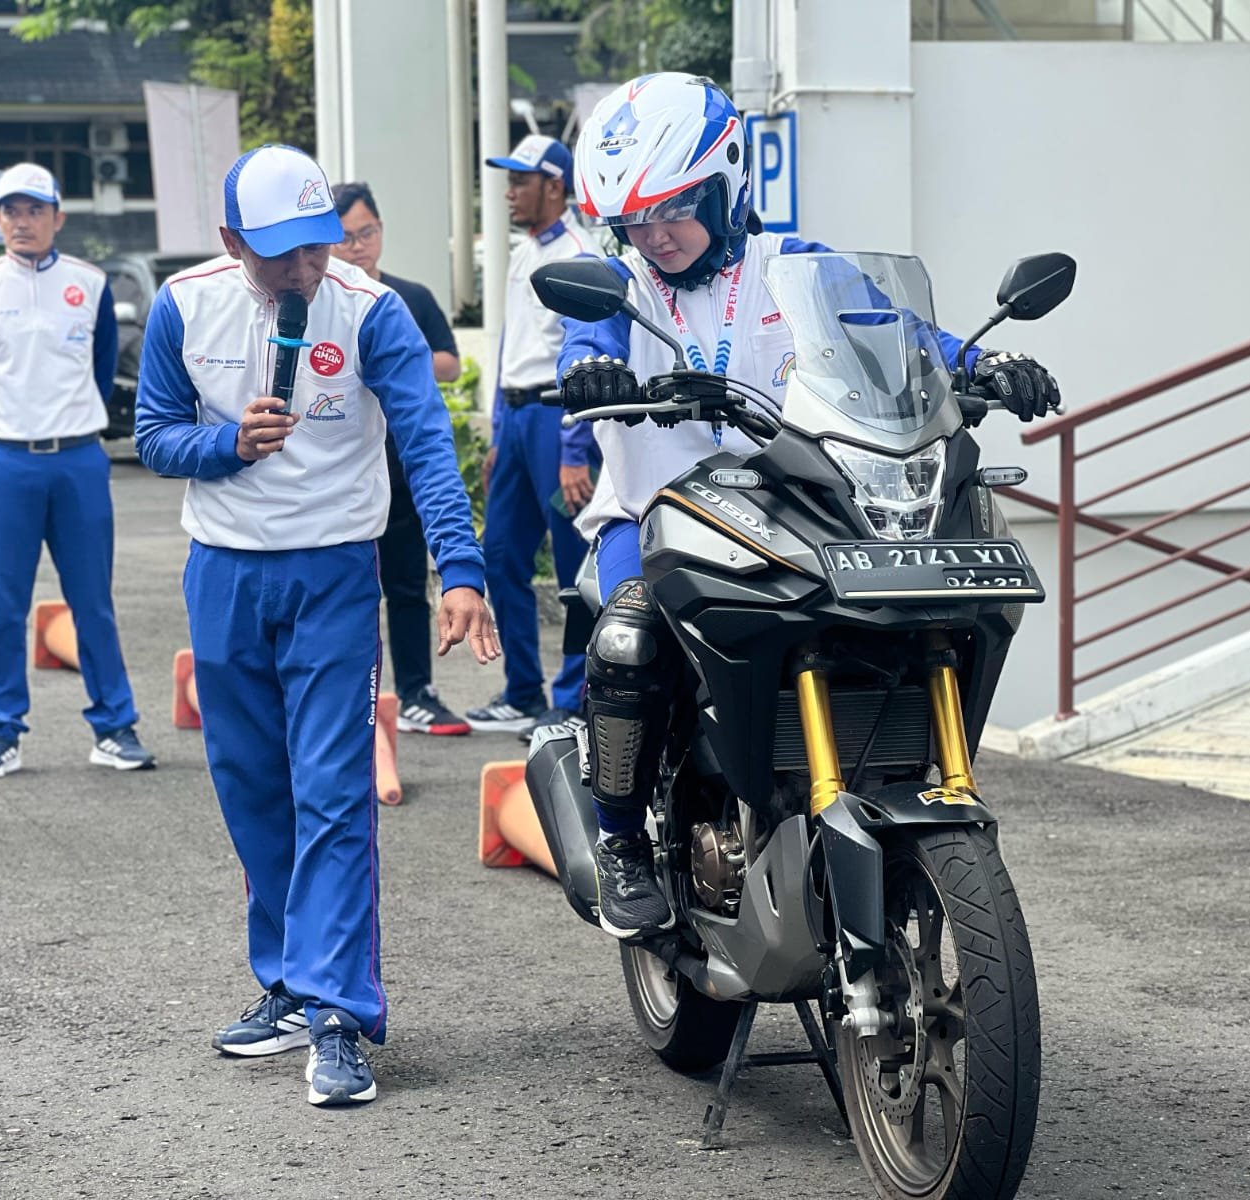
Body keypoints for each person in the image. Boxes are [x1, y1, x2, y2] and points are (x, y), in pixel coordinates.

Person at [558, 73, 1062, 940]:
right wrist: (591, 375)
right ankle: (622, 846)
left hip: (794, 508)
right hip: (654, 516)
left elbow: (899, 331)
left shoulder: (795, 267)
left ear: (727, 181)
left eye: (674, 208)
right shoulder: (622, 285)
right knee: (629, 635)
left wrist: (978, 365)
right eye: (634, 220)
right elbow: (586, 340)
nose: (655, 235)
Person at [133, 144, 498, 1107]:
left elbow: (425, 441)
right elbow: (152, 433)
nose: (305, 271)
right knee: (251, 785)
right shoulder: (185, 304)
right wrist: (224, 444)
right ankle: (288, 984)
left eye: (318, 249)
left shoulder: (369, 310)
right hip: (224, 572)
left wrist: (460, 570)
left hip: (336, 572)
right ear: (230, 241)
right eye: (281, 254)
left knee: (334, 791)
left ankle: (340, 1014)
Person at [0, 162, 153, 780]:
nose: (22, 221)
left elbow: (97, 367)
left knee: (93, 601)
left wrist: (67, 424)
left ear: (58, 217)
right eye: (10, 210)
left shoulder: (90, 285)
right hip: (5, 461)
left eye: (35, 210)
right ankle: (0, 731)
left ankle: (114, 727)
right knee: (2, 606)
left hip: (78, 461)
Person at [463, 134, 604, 736]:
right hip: (518, 421)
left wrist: (575, 451)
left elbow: (586, 360)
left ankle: (572, 699)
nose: (508, 191)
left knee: (573, 562)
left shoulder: (578, 252)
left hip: (556, 422)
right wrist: (497, 432)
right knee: (500, 556)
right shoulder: (524, 251)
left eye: (521, 180)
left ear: (554, 184)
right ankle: (522, 690)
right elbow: (508, 349)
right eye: (508, 180)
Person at [330, 180, 470, 737]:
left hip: (402, 466)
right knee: (345, 589)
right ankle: (347, 700)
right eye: (343, 238)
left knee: (408, 585)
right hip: (340, 474)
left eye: (366, 233)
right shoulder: (323, 302)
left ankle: (416, 692)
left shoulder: (408, 297)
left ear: (381, 231)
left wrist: (393, 362)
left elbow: (451, 362)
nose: (357, 246)